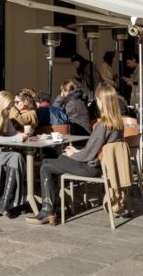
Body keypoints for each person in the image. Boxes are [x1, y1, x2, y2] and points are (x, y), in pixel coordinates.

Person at [26, 82, 125, 225]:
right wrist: (77, 151)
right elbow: (94, 150)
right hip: (101, 165)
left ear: (102, 101)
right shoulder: (118, 123)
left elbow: (89, 154)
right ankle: (55, 204)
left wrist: (74, 154)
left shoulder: (103, 125)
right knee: (50, 161)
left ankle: (48, 210)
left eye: (97, 99)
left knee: (45, 166)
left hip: (91, 167)